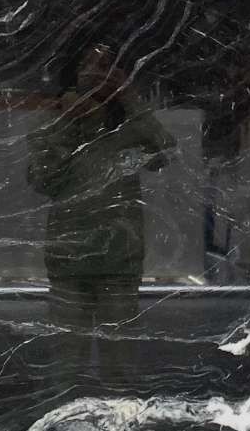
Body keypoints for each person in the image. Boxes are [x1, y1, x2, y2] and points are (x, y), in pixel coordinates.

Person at [29, 43, 175, 330]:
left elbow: (164, 154)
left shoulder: (129, 126)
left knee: (118, 353)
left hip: (118, 260)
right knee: (69, 350)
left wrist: (129, 98)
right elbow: (42, 179)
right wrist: (68, 120)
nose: (95, 73)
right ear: (74, 73)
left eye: (105, 66)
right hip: (70, 259)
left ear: (119, 73)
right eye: (87, 64)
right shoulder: (56, 119)